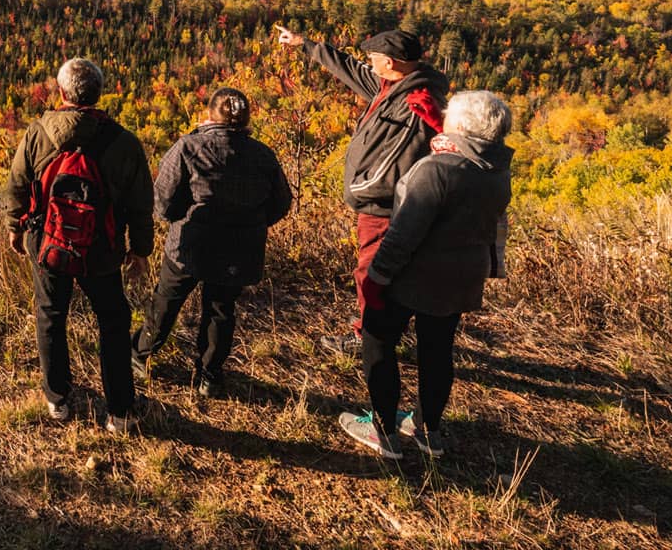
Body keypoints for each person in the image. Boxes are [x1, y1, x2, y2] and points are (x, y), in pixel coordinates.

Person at [337, 90, 514, 459]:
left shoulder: (436, 169)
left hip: (413, 277)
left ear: (461, 125)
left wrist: (376, 279)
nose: (444, 115)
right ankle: (428, 430)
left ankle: (384, 431)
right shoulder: (497, 170)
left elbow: (402, 235)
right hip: (461, 278)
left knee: (377, 341)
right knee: (437, 352)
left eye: (449, 114)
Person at [274, 23, 447, 353]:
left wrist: (358, 189)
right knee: (381, 272)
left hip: (383, 206)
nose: (369, 64)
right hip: (381, 203)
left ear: (390, 62)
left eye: (374, 59)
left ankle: (369, 338)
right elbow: (351, 70)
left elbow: (393, 165)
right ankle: (384, 329)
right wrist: (304, 44)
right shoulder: (393, 86)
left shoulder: (413, 103)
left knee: (372, 273)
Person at [7, 57, 154, 433]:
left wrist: (15, 228)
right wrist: (140, 250)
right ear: (99, 94)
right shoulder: (124, 142)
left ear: (61, 93)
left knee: (50, 314)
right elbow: (140, 203)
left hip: (48, 241)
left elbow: (18, 185)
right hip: (101, 246)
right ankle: (120, 411)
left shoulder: (38, 133)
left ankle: (58, 399)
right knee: (113, 321)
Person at [132, 87, 292, 397]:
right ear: (246, 119)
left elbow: (162, 203)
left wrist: (182, 218)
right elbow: (281, 203)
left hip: (189, 245)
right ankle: (209, 375)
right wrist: (251, 224)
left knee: (166, 302)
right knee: (221, 309)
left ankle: (140, 355)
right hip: (239, 249)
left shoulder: (189, 147)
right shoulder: (263, 155)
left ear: (209, 115)